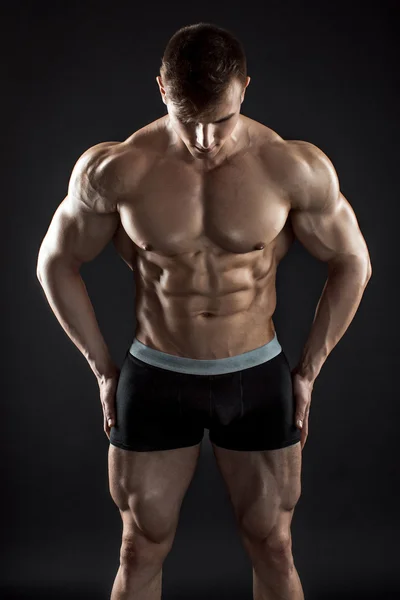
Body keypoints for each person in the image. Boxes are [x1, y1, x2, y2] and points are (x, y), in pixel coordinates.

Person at [36, 21, 372, 600]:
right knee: (138, 546)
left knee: (273, 544)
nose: (204, 138)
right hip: (157, 376)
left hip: (255, 377)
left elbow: (352, 261)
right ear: (161, 88)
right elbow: (55, 262)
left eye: (221, 118)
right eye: (187, 118)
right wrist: (102, 368)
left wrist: (309, 371)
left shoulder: (291, 166)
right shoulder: (116, 168)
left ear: (245, 87)